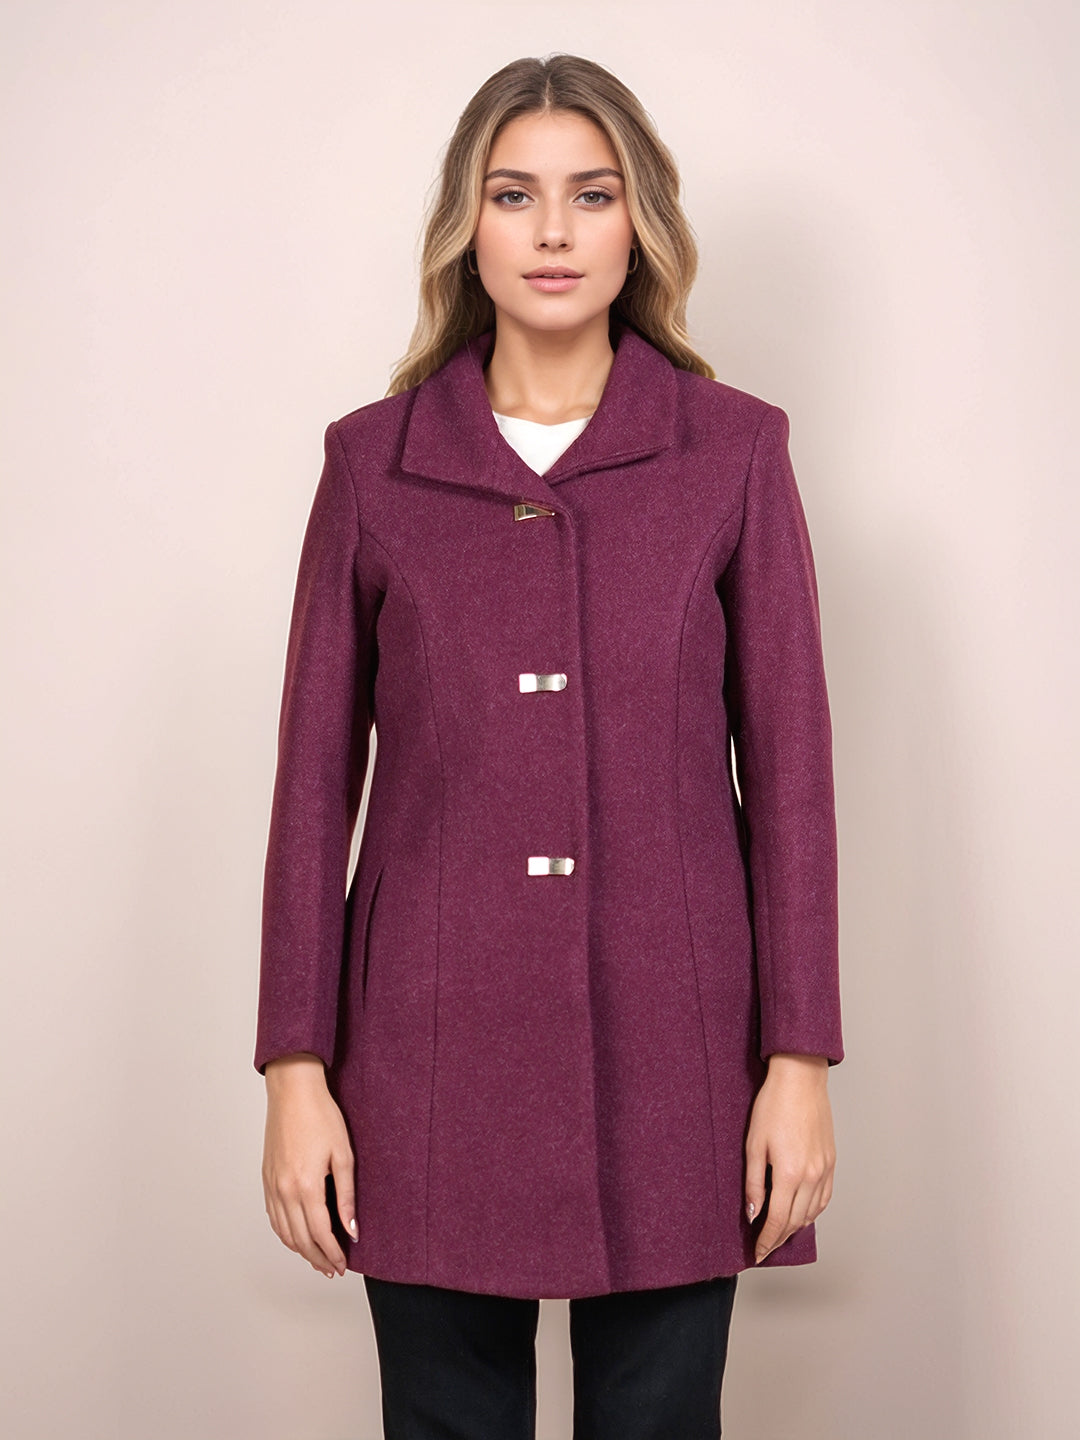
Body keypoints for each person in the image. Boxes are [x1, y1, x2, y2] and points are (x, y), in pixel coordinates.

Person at [254, 52, 844, 1440]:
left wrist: (801, 1062)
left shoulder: (733, 452)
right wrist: (294, 1070)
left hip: (678, 1046)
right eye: (514, 195)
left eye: (593, 193)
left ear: (641, 222)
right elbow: (312, 790)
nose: (555, 232)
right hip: (424, 1046)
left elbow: (795, 781)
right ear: (467, 225)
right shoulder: (372, 464)